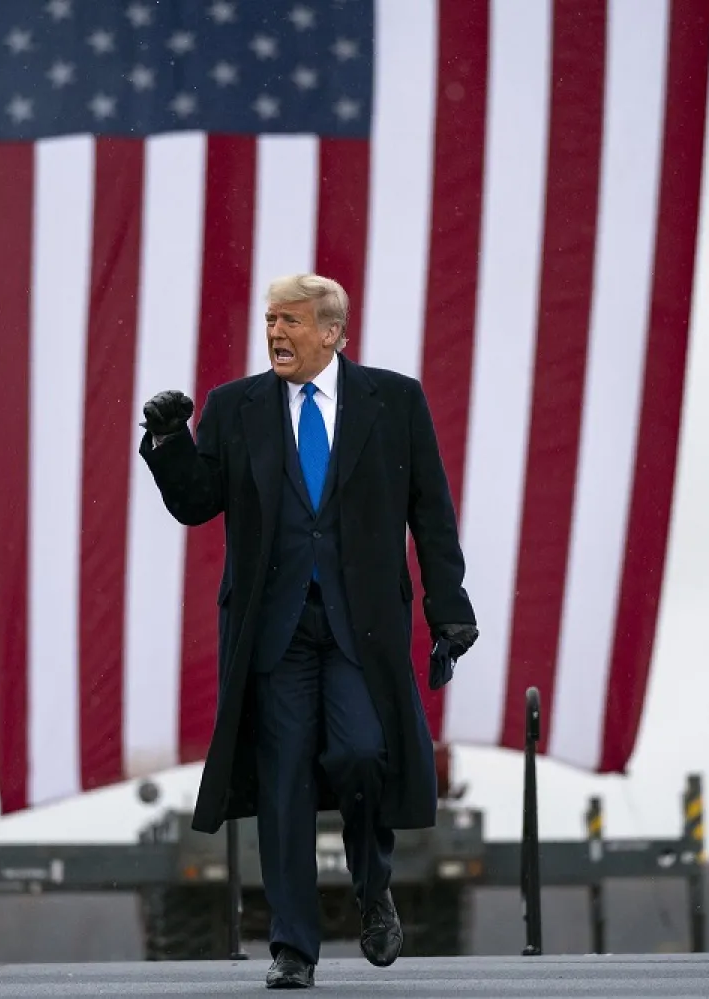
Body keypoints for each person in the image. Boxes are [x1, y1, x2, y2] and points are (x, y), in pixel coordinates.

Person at [138, 273, 479, 988]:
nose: (275, 334)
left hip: (363, 624)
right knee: (284, 779)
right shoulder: (236, 408)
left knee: (360, 754)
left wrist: (450, 606)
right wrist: (170, 440)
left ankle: (370, 886)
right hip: (274, 627)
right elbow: (197, 503)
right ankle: (293, 946)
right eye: (269, 320)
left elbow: (432, 511)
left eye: (290, 321)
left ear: (333, 332)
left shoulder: (396, 401)